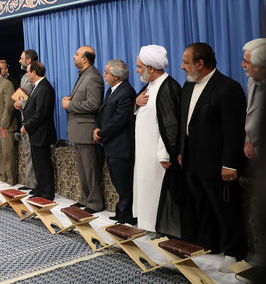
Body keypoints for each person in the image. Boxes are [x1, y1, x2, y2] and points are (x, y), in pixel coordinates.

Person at [180, 42, 247, 270]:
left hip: (218, 164)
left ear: (201, 63)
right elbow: (184, 124)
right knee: (203, 207)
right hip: (192, 162)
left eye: (186, 62)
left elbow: (234, 131)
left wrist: (230, 164)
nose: (182, 67)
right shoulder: (188, 87)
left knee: (226, 209)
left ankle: (234, 252)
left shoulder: (228, 88)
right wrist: (181, 151)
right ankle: (210, 245)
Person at [133, 45, 182, 236]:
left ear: (150, 68)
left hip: (158, 155)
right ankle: (147, 225)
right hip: (145, 152)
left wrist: (165, 153)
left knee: (155, 191)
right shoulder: (150, 85)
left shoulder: (168, 87)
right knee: (146, 189)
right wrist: (135, 105)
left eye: (139, 66)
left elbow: (171, 124)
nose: (137, 70)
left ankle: (158, 228)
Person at [62, 46, 104, 213]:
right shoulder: (84, 75)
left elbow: (94, 104)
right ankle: (85, 199)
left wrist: (70, 105)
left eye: (77, 54)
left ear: (85, 59)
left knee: (90, 170)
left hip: (86, 131)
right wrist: (71, 99)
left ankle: (95, 203)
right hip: (78, 132)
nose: (74, 56)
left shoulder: (93, 76)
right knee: (83, 169)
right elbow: (84, 98)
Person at [93, 60, 136, 224]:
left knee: (124, 184)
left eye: (106, 72)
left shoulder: (126, 92)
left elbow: (119, 120)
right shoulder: (112, 90)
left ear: (116, 77)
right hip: (112, 145)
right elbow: (103, 113)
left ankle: (127, 215)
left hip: (121, 147)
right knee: (118, 182)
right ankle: (121, 212)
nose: (104, 75)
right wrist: (97, 128)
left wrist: (101, 133)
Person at [20, 61, 57, 199]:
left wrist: (27, 126)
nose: (27, 74)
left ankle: (47, 192)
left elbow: (40, 113)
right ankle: (40, 188)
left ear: (34, 73)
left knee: (43, 163)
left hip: (42, 132)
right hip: (36, 132)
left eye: (28, 72)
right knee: (37, 163)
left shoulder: (44, 88)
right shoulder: (38, 86)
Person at [14, 49, 39, 190]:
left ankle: (34, 184)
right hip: (24, 118)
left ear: (28, 61)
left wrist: (21, 103)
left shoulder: (37, 77)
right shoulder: (24, 77)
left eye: (21, 58)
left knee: (33, 153)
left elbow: (35, 100)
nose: (19, 60)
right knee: (28, 152)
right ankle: (30, 183)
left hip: (32, 121)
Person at [242, 38, 265, 159]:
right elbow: (249, 112)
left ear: (261, 66)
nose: (242, 65)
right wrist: (248, 140)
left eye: (247, 62)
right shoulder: (252, 79)